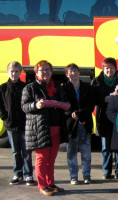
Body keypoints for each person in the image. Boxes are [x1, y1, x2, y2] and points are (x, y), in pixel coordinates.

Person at [22, 60, 70, 196]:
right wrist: (36, 105)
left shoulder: (56, 87)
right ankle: (42, 185)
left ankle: (51, 183)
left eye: (48, 70)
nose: (45, 72)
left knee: (51, 158)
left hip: (56, 127)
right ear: (36, 72)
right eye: (42, 70)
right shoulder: (30, 88)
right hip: (41, 128)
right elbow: (24, 106)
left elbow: (64, 102)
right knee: (42, 158)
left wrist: (66, 106)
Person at [0, 61, 35, 186]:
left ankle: (28, 175)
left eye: (16, 71)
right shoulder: (3, 88)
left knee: (26, 150)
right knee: (15, 151)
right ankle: (17, 174)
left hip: (24, 124)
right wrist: (5, 117)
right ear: (8, 72)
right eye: (12, 71)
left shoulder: (25, 87)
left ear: (20, 72)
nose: (14, 74)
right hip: (10, 124)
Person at [63, 64, 94, 185]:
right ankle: (73, 176)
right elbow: (64, 104)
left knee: (86, 151)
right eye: (70, 71)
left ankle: (87, 175)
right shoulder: (64, 88)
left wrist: (80, 114)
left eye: (75, 71)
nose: (73, 73)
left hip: (85, 122)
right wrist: (72, 113)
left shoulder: (87, 87)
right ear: (67, 74)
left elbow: (91, 105)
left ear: (79, 73)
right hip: (71, 124)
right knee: (71, 152)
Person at [91, 57, 118, 180]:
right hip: (103, 117)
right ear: (103, 69)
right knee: (106, 147)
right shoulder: (97, 81)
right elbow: (92, 99)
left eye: (111, 68)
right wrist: (103, 99)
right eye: (106, 68)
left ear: (115, 68)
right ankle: (106, 171)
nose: (109, 70)